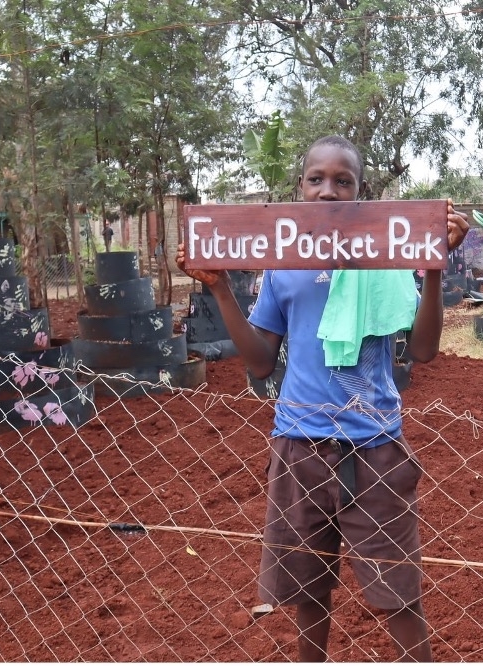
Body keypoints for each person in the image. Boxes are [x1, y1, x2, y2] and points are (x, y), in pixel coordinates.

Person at [177, 135, 468, 662]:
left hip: (374, 447)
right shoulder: (283, 266)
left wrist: (433, 270)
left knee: (398, 592)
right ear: (299, 189)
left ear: (361, 192)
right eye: (316, 179)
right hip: (299, 444)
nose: (328, 190)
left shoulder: (385, 257)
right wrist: (219, 289)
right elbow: (262, 362)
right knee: (308, 590)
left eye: (343, 180)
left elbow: (422, 351)